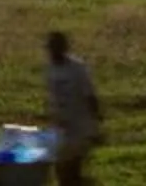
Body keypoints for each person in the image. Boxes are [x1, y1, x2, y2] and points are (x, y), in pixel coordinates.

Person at [44, 30, 102, 185]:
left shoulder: (77, 69)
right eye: (50, 48)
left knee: (70, 172)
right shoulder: (51, 68)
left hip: (79, 128)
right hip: (61, 128)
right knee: (61, 172)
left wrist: (95, 125)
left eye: (55, 48)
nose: (51, 52)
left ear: (63, 48)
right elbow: (53, 97)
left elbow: (90, 97)